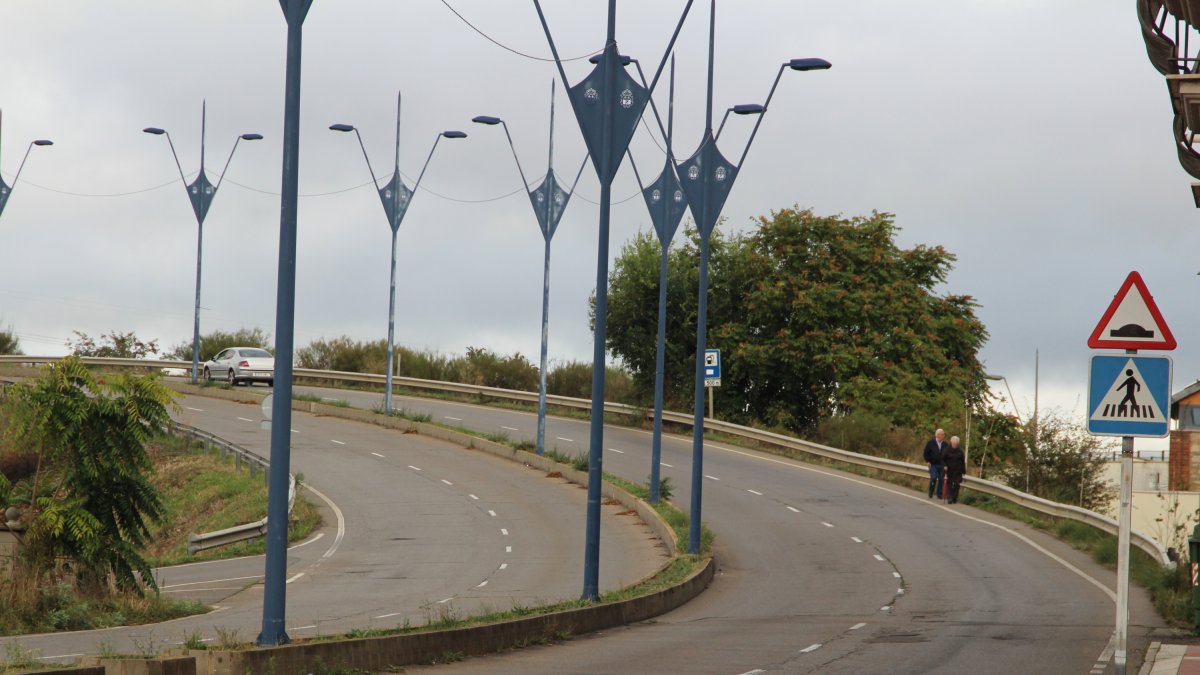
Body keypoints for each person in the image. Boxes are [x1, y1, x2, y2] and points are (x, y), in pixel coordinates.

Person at [922, 429, 947, 498]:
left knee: (941, 479)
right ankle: (931, 491)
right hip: (933, 464)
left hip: (942, 465)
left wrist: (946, 465)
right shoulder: (931, 443)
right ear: (937, 435)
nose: (943, 436)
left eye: (943, 434)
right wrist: (928, 461)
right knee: (934, 477)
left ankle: (939, 494)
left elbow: (947, 456)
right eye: (942, 434)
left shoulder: (945, 444)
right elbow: (925, 453)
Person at [942, 435, 966, 504]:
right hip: (949, 470)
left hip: (958, 470)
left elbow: (962, 461)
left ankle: (954, 497)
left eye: (956, 443)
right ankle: (949, 497)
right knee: (949, 484)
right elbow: (942, 459)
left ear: (957, 443)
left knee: (956, 484)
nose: (954, 444)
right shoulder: (947, 450)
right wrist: (944, 465)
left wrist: (963, 471)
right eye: (953, 443)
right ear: (951, 442)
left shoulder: (960, 451)